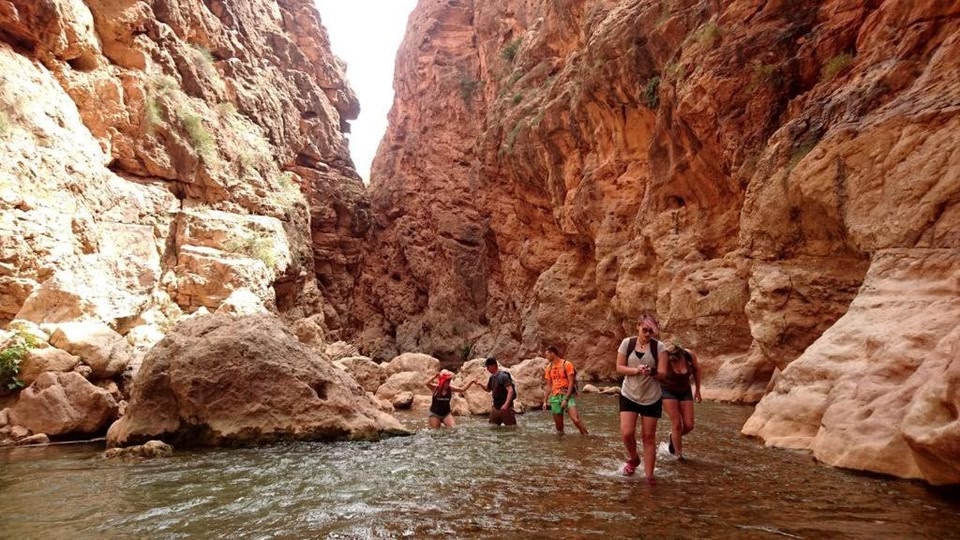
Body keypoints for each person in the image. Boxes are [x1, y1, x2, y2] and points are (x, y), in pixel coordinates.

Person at [616, 314, 667, 483]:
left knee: (648, 437)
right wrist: (636, 370)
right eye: (645, 330)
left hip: (651, 396)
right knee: (627, 433)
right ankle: (634, 458)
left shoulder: (659, 347)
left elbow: (663, 373)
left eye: (651, 331)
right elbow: (619, 367)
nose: (647, 334)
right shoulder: (627, 343)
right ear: (637, 326)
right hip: (629, 393)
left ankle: (649, 476)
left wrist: (651, 371)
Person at [660, 343, 701, 460]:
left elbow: (697, 371)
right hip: (667, 391)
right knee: (677, 424)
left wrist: (698, 390)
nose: (672, 360)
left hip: (685, 391)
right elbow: (655, 375)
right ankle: (679, 455)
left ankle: (673, 436)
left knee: (689, 425)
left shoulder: (689, 355)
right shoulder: (663, 358)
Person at [542, 346, 588, 434]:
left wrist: (566, 399)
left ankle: (587, 437)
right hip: (555, 397)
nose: (546, 357)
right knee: (559, 427)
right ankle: (561, 441)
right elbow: (548, 385)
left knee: (576, 419)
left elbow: (571, 382)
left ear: (552, 353)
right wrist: (545, 401)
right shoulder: (549, 368)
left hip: (566, 394)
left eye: (547, 355)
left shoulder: (566, 364)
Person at [477, 357, 517, 426]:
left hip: (506, 408)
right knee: (492, 426)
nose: (487, 369)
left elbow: (510, 391)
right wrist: (480, 384)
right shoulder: (492, 377)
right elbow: (488, 389)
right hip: (496, 407)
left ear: (493, 365)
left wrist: (506, 405)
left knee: (511, 427)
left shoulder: (503, 376)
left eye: (488, 367)